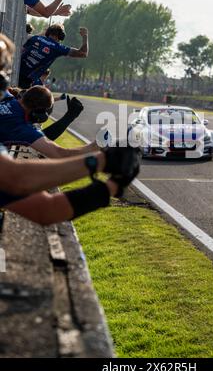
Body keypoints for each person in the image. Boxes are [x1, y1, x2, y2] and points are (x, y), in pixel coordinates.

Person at [0, 33, 140, 225]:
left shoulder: (8, 103)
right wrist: (103, 164)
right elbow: (28, 175)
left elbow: (45, 209)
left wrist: (112, 185)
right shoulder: (18, 124)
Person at [19, 24, 89, 89]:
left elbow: (21, 51)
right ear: (61, 36)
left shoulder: (35, 38)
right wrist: (85, 36)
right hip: (26, 79)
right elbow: (83, 53)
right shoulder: (57, 48)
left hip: (16, 70)